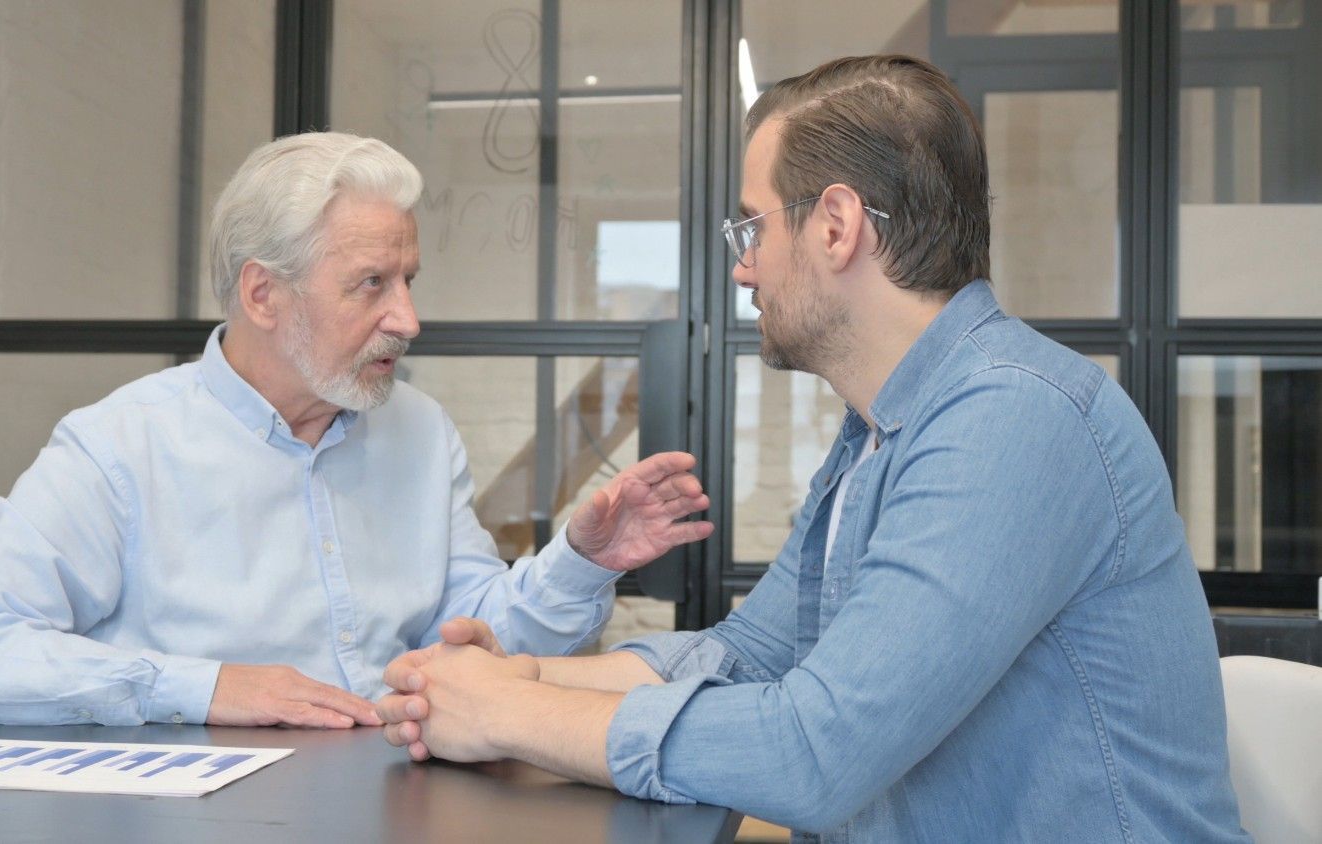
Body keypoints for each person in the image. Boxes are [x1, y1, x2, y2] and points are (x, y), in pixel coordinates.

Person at [375, 55, 1249, 841]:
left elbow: (816, 751)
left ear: (836, 226)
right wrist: (525, 675)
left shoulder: (1014, 417)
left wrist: (505, 713)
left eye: (752, 229)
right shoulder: (879, 429)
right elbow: (750, 654)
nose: (743, 268)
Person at [0, 132, 713, 729]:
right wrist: (207, 687)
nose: (409, 319)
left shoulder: (420, 432)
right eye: (371, 284)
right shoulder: (119, 445)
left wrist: (580, 564)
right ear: (262, 296)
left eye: (409, 280)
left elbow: (473, 634)